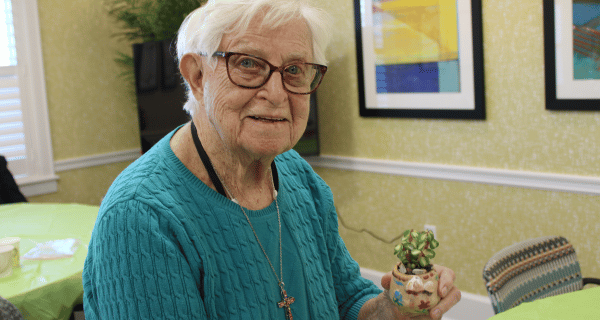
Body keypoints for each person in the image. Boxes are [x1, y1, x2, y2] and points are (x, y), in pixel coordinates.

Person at [82, 0, 461, 319]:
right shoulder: (140, 218)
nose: (277, 93)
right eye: (248, 64)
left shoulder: (297, 175)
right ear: (197, 76)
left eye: (295, 70)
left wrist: (397, 307)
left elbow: (347, 300)